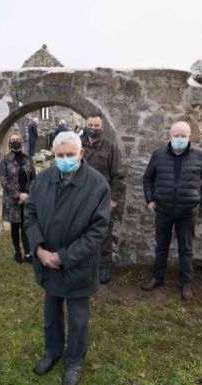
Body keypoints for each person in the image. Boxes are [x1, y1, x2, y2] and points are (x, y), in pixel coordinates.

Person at [25, 131, 110, 385]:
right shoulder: (44, 180)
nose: (64, 159)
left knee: (78, 317)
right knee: (51, 312)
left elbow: (97, 231)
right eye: (59, 155)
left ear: (81, 153)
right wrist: (39, 249)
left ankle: (74, 361)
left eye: (69, 155)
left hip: (77, 265)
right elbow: (30, 214)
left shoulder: (97, 185)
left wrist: (63, 257)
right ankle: (52, 351)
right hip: (46, 261)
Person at [141, 116, 202, 300]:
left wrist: (198, 200)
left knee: (186, 248)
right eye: (176, 134)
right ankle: (157, 277)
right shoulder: (158, 154)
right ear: (170, 135)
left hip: (187, 212)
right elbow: (148, 178)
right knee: (161, 246)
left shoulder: (201, 156)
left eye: (183, 135)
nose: (179, 138)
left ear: (189, 136)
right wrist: (150, 199)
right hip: (163, 209)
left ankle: (186, 283)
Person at [81, 113, 125, 284]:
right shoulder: (79, 145)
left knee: (104, 234)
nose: (93, 128)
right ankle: (85, 265)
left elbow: (118, 176)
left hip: (102, 199)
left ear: (102, 127)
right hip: (82, 198)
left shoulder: (110, 148)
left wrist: (113, 199)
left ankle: (104, 267)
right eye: (90, 125)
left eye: (96, 125)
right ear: (86, 125)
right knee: (83, 232)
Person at [0, 131, 37, 263]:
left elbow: (33, 178)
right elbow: (4, 181)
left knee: (26, 227)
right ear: (9, 143)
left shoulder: (28, 158)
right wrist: (18, 195)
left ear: (21, 141)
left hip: (27, 199)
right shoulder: (5, 161)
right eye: (12, 139)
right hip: (12, 200)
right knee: (15, 227)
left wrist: (27, 195)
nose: (15, 141)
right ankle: (17, 252)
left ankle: (27, 253)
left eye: (17, 139)